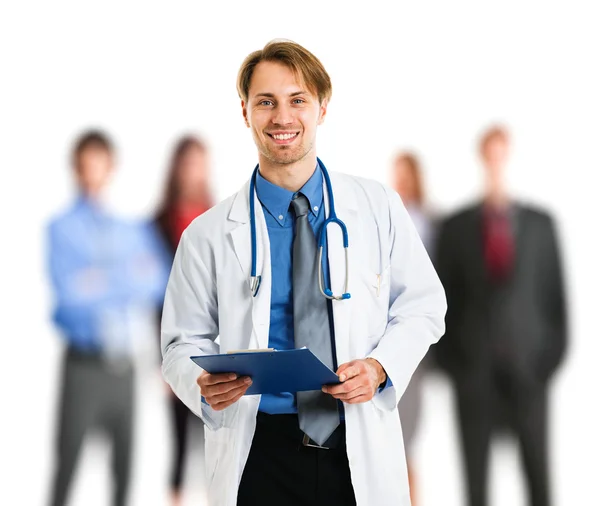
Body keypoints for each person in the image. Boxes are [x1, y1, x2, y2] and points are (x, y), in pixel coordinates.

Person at [160, 40, 447, 506]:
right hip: (258, 454)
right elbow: (179, 344)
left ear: (322, 108)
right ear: (245, 112)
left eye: (297, 100)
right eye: (266, 102)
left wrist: (380, 367)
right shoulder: (206, 235)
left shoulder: (376, 208)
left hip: (354, 449)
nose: (282, 117)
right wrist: (201, 383)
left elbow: (425, 306)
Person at [434, 125, 568, 506]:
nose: (495, 162)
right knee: (475, 486)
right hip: (474, 376)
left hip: (529, 374)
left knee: (539, 481)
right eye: (488, 154)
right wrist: (454, 367)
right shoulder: (456, 227)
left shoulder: (541, 224)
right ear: (481, 157)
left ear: (508, 156)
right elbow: (441, 301)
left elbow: (556, 299)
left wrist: (547, 364)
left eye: (500, 153)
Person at [46, 130, 169, 506]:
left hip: (124, 366)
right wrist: (125, 275)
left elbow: (157, 281)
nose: (92, 174)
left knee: (125, 473)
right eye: (86, 165)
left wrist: (100, 278)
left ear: (111, 168)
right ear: (75, 168)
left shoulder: (129, 229)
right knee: (67, 466)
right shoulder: (61, 227)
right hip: (83, 364)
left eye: (99, 165)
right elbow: (68, 297)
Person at [154, 135, 214, 506]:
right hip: (176, 343)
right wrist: (161, 362)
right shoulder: (159, 222)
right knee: (178, 444)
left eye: (200, 162)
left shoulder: (218, 217)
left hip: (217, 345)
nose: (194, 171)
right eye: (188, 162)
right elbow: (154, 299)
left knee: (216, 443)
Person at [392, 151, 437, 505]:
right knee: (389, 439)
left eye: (405, 175)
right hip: (388, 337)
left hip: (419, 347)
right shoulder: (387, 220)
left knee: (406, 438)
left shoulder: (431, 223)